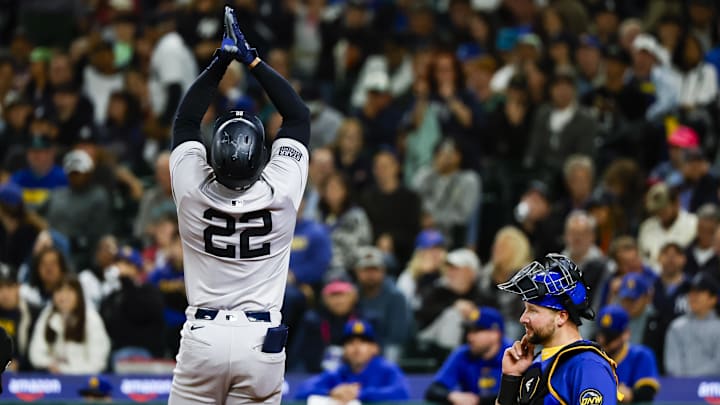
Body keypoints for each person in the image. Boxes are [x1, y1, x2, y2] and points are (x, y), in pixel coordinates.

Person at [167, 8, 310, 404]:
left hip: (204, 337)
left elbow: (185, 122)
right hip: (260, 341)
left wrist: (219, 63)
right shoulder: (280, 191)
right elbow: (297, 117)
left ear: (213, 156)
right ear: (261, 155)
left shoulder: (192, 189)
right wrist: (254, 61)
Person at [495, 254, 619, 405]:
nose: (523, 318)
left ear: (561, 316)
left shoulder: (587, 366)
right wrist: (511, 379)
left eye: (533, 311)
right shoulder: (535, 363)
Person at [295, 319, 410, 403]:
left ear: (375, 348)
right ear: (344, 349)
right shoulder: (340, 372)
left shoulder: (387, 369)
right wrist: (331, 392)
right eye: (350, 342)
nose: (356, 347)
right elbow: (303, 390)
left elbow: (401, 393)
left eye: (363, 342)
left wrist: (359, 394)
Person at [425, 306, 512, 405]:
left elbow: (519, 395)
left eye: (476, 331)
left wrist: (478, 401)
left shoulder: (513, 354)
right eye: (469, 331)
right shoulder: (463, 354)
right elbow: (434, 390)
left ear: (495, 334)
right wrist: (451, 395)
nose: (470, 337)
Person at [28, 275, 111, 374]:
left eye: (69, 291)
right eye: (59, 291)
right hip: (54, 376)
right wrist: (49, 364)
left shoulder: (91, 318)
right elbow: (35, 353)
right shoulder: (47, 315)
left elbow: (98, 363)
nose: (63, 296)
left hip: (83, 378)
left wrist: (65, 370)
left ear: (78, 295)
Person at [595, 305, 660, 404]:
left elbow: (646, 394)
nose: (603, 340)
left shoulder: (641, 355)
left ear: (626, 334)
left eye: (610, 336)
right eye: (601, 335)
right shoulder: (592, 357)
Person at [664, 272, 720, 377]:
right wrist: (687, 383)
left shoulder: (718, 327)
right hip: (680, 387)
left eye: (699, 292)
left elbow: (718, 364)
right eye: (691, 292)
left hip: (713, 389)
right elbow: (672, 365)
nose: (692, 296)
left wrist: (693, 381)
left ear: (713, 299)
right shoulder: (676, 326)